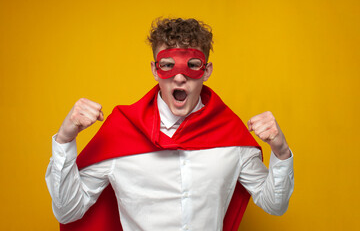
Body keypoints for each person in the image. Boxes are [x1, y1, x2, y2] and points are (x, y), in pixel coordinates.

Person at [45, 18, 294, 231]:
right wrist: (65, 140)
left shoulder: (230, 135)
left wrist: (281, 152)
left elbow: (274, 204)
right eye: (167, 65)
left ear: (206, 71)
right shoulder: (122, 131)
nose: (179, 76)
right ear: (155, 70)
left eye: (192, 66)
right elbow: (68, 211)